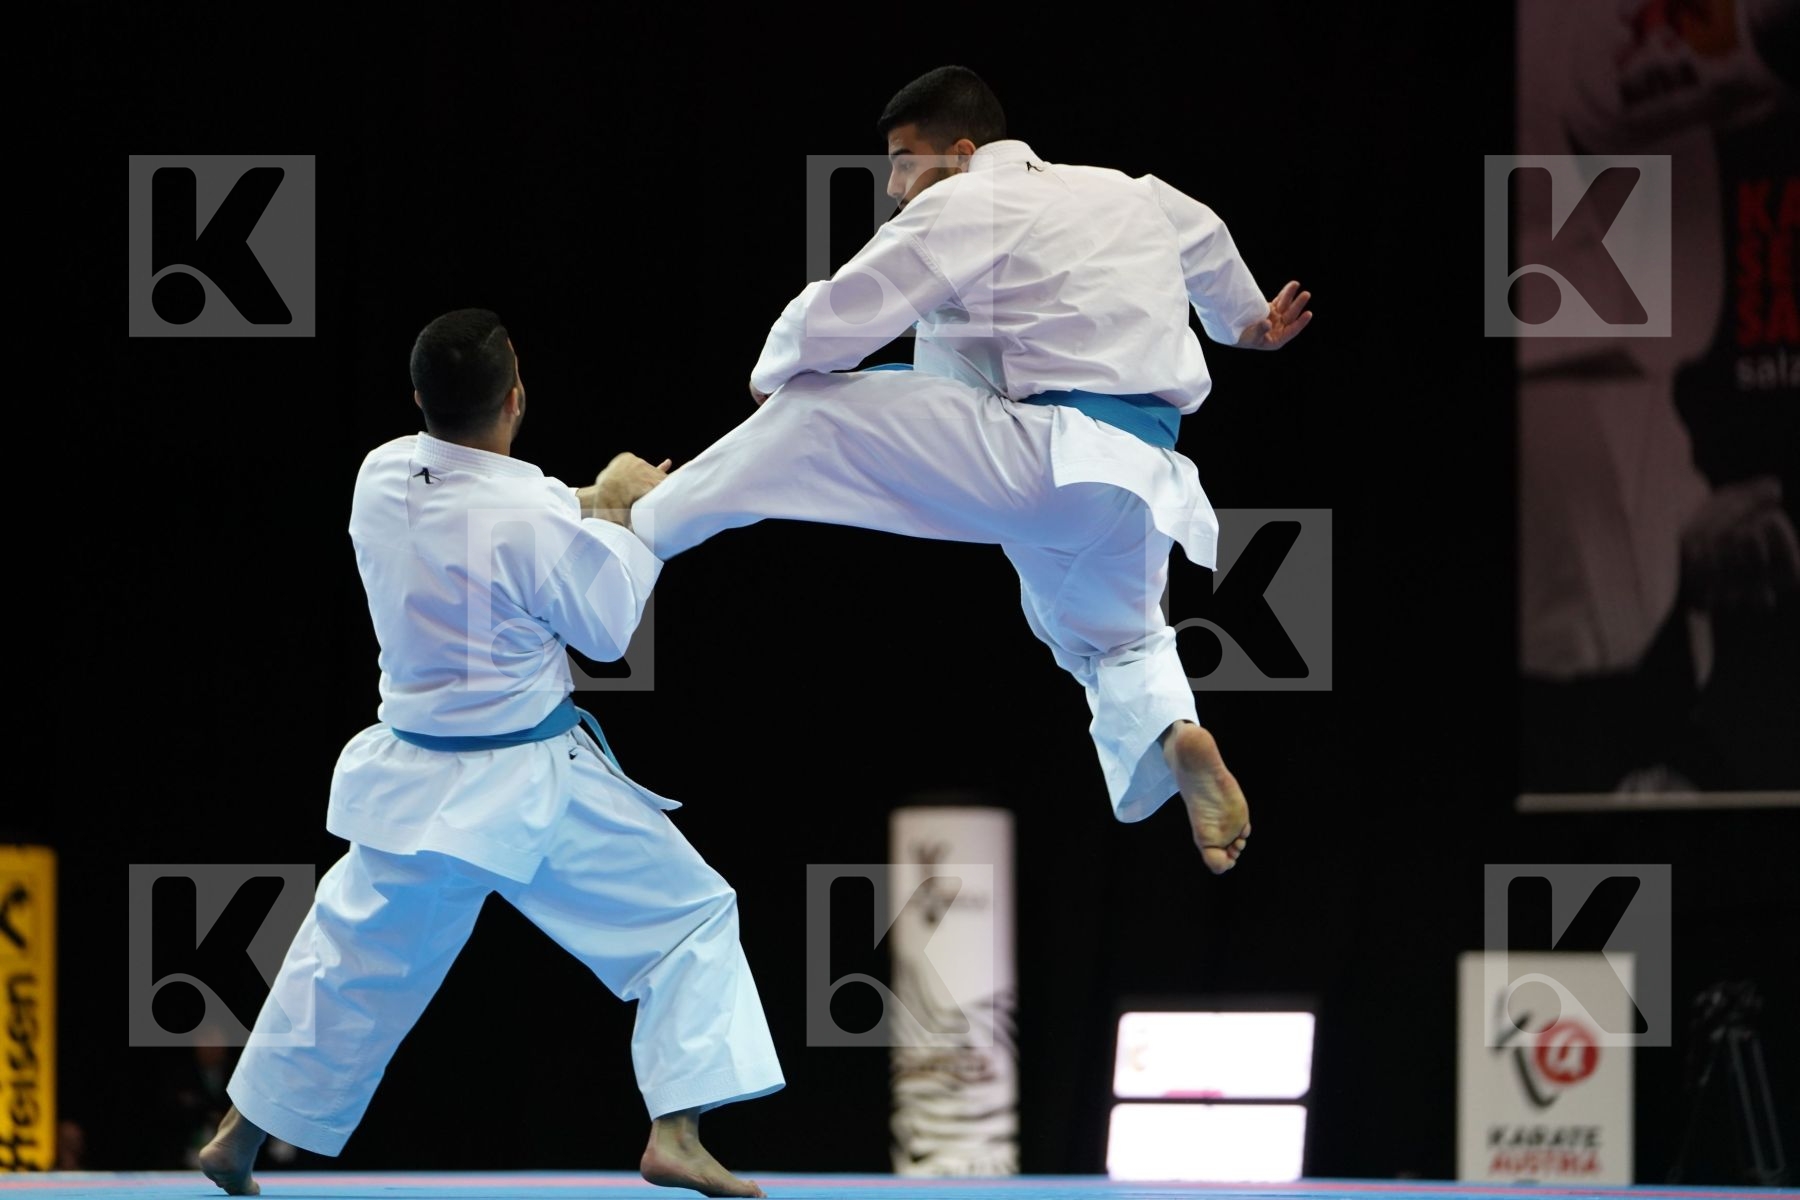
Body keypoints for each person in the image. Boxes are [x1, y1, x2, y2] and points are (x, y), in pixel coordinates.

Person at [633, 67, 1311, 871]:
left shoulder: (967, 197)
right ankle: (1177, 732)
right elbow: (1203, 235)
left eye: (902, 159)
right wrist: (1245, 322)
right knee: (1118, 642)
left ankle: (633, 527)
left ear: (961, 152)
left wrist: (775, 369)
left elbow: (848, 307)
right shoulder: (1136, 193)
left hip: (1042, 457)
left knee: (812, 411)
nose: (893, 184)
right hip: (1140, 477)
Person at [199, 309, 783, 1198]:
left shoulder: (380, 474)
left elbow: (514, 509)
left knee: (348, 961)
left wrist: (598, 498)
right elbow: (608, 625)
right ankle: (675, 1131)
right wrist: (637, 515)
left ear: (419, 400)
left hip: (413, 781)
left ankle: (239, 1134)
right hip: (531, 787)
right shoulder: (528, 516)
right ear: (517, 397)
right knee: (688, 922)